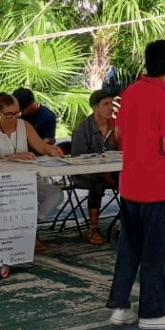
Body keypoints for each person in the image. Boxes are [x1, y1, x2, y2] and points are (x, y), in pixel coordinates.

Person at [107, 40, 165, 330]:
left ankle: (120, 306)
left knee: (129, 247)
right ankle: (153, 312)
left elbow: (118, 134)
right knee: (158, 251)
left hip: (130, 182)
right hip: (156, 184)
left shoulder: (130, 93)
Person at [0, 93, 67, 253]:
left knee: (56, 194)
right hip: (2, 183)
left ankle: (30, 227)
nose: (13, 118)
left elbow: (41, 146)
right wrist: (12, 156)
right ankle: (21, 233)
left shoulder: (25, 126)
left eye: (16, 113)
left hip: (27, 180)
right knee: (20, 198)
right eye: (9, 114)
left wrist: (52, 150)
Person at [71, 88, 119, 245]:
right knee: (97, 182)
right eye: (105, 104)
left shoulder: (115, 127)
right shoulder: (82, 129)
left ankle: (129, 222)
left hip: (112, 172)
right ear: (95, 107)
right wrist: (104, 171)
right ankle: (94, 228)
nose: (110, 108)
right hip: (86, 174)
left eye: (112, 104)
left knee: (132, 178)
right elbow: (78, 159)